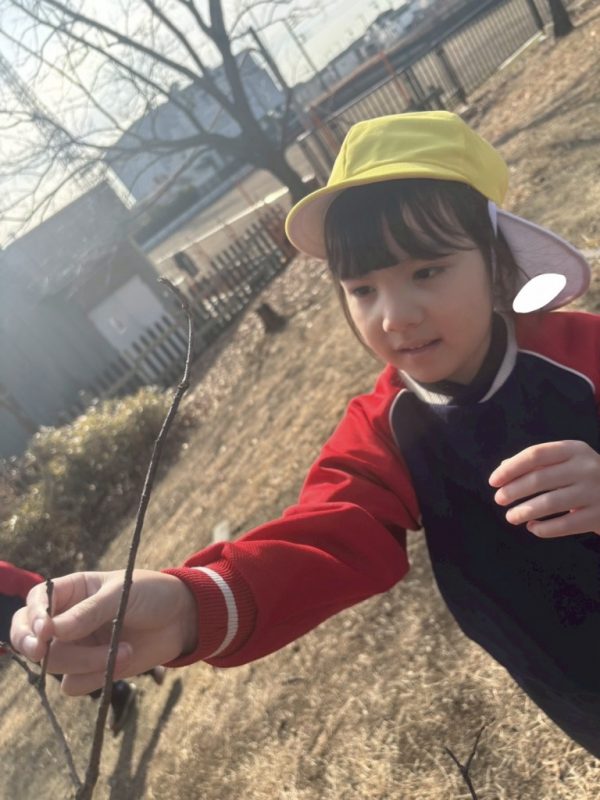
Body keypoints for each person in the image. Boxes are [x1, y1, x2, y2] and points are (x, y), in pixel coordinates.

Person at [10, 111, 600, 756]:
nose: (394, 316)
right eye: (363, 288)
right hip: (568, 680)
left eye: (427, 271)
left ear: (497, 259)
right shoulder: (385, 427)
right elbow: (325, 536)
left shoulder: (580, 354)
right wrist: (186, 605)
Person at [1, 560, 165, 735]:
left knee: (91, 645)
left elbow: (24, 583)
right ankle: (122, 690)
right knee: (71, 670)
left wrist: (47, 602)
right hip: (29, 645)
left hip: (47, 620)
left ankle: (137, 672)